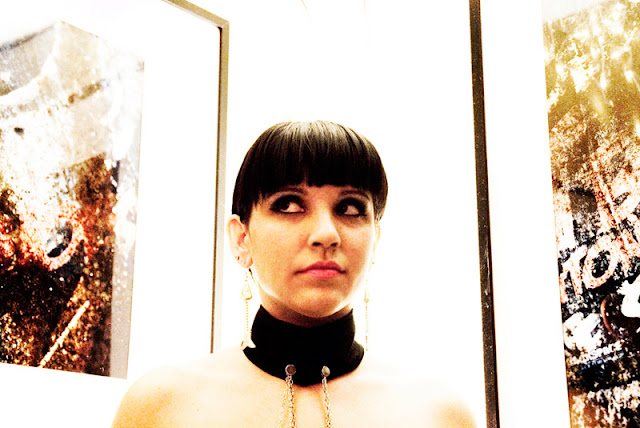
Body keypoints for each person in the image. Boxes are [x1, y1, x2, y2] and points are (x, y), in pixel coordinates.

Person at [112, 121, 475, 427]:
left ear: (375, 238)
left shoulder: (437, 413)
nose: (326, 234)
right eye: (288, 205)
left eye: (350, 208)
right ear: (241, 238)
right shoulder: (162, 406)